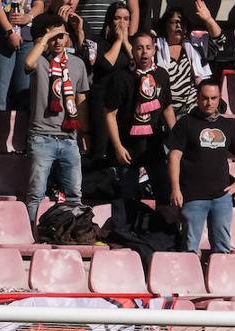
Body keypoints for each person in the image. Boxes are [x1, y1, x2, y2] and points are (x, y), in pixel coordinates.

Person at [168, 79, 235, 254]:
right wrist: (175, 188)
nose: (209, 102)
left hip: (222, 197)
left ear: (219, 98)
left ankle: (219, 280)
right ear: (197, 98)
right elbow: (174, 156)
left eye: (214, 98)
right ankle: (189, 281)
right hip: (192, 196)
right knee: (189, 247)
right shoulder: (186, 123)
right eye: (205, 98)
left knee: (222, 248)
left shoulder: (227, 124)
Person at [105, 31, 175, 229]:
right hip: (128, 145)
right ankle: (125, 233)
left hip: (153, 144)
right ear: (133, 51)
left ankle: (163, 231)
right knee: (127, 194)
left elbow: (168, 108)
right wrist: (118, 146)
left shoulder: (161, 74)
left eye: (148, 47)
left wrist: (177, 138)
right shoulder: (121, 76)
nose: (144, 52)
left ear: (154, 49)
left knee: (163, 190)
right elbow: (109, 114)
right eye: (139, 48)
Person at [23, 15, 89, 223]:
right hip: (42, 136)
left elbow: (81, 99)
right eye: (54, 37)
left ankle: (72, 232)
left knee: (74, 195)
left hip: (69, 137)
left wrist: (84, 133)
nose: (58, 41)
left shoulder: (77, 63)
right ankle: (31, 234)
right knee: (36, 193)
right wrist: (46, 38)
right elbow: (28, 62)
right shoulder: (40, 60)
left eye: (62, 36)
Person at [155, 2, 225, 118]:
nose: (178, 26)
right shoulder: (156, 48)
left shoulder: (196, 46)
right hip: (165, 109)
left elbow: (220, 41)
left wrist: (208, 19)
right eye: (174, 22)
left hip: (192, 109)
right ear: (165, 25)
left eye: (181, 23)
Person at [0, 0, 43, 129]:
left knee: (24, 90)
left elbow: (39, 4)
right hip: (0, 35)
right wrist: (10, 32)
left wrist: (29, 16)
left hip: (27, 37)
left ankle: (19, 136)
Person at [85, 1, 131, 160]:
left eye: (126, 19)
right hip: (102, 100)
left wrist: (125, 42)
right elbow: (106, 64)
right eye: (118, 18)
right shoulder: (98, 41)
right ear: (109, 21)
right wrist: (119, 41)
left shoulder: (132, 44)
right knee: (102, 146)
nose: (122, 23)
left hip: (122, 102)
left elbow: (138, 64)